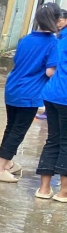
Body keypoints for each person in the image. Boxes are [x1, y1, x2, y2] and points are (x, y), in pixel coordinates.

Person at [0, 2, 64, 183]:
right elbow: (50, 72)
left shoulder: (25, 39)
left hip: (12, 88)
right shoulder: (53, 43)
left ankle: (7, 163)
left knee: (11, 128)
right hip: (29, 93)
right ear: (56, 20)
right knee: (18, 132)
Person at [35, 31, 67, 202]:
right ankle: (64, 192)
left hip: (51, 94)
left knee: (53, 139)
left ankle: (44, 189)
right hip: (64, 96)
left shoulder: (61, 39)